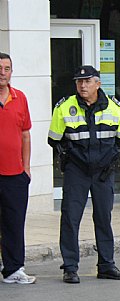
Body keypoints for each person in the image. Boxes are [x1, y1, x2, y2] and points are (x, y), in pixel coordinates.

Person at [48, 65, 120, 284]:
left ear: (98, 84)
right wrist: (71, 156)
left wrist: (108, 159)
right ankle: (70, 267)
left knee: (104, 217)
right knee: (70, 218)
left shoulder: (114, 106)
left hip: (103, 171)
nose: (82, 85)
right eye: (79, 82)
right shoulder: (65, 107)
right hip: (77, 171)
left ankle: (106, 265)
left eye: (87, 81)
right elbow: (54, 139)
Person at [0, 52, 36, 284]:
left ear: (11, 72)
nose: (2, 72)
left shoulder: (20, 98)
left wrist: (27, 168)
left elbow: (25, 135)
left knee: (14, 223)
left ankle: (13, 270)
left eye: (6, 68)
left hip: (14, 174)